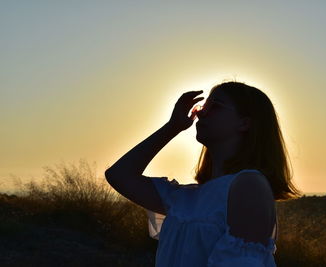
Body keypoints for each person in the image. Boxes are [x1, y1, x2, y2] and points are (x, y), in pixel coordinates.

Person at [105, 81, 302, 266]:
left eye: (215, 106)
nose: (201, 113)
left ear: (244, 123)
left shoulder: (249, 185)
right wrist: (172, 127)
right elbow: (119, 175)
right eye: (203, 106)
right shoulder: (183, 198)